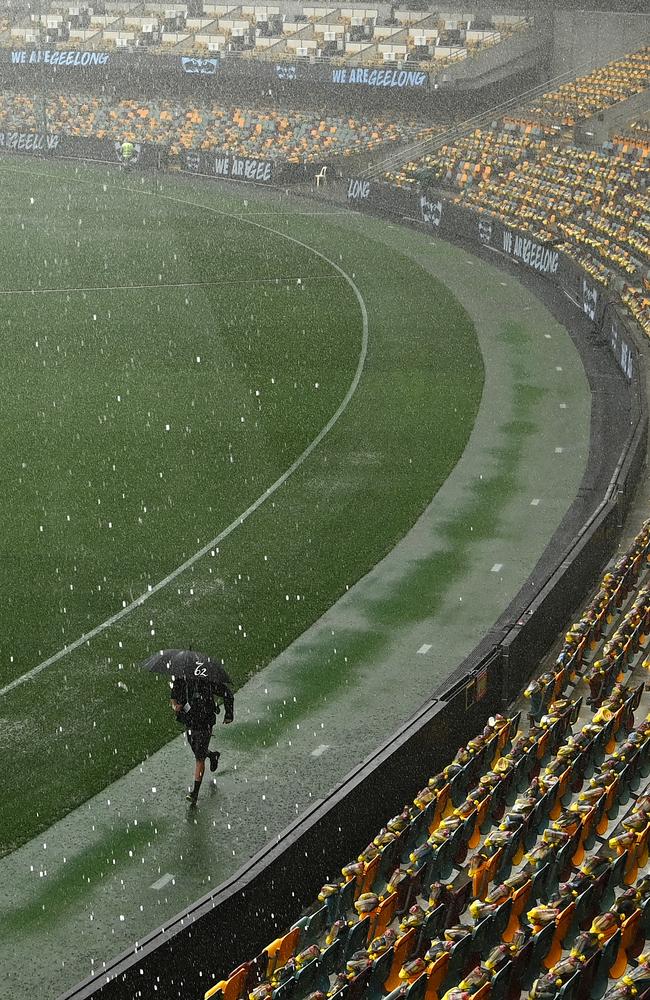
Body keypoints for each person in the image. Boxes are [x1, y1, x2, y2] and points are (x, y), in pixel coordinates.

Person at [170, 671, 234, 804]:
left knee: (199, 757)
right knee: (197, 749)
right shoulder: (181, 680)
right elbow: (174, 698)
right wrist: (175, 706)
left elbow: (227, 693)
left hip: (205, 721)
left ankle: (195, 793)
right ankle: (212, 755)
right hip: (189, 721)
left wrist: (229, 714)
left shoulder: (207, 681)